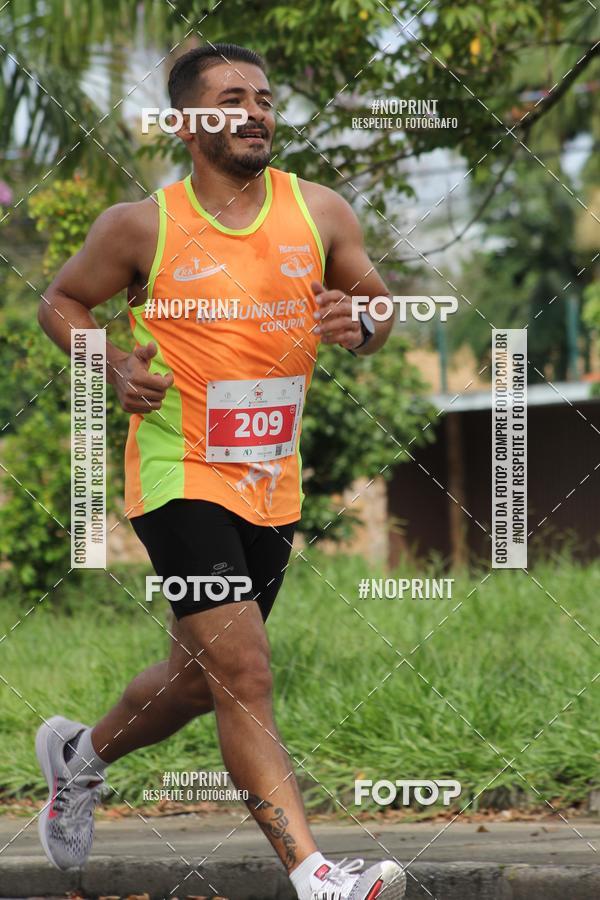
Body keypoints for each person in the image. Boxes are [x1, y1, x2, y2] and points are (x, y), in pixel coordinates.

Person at [37, 43, 405, 900]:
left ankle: (77, 757)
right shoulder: (140, 225)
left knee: (202, 684)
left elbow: (379, 302)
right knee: (247, 674)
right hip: (179, 469)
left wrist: (366, 322)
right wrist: (112, 365)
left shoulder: (320, 211)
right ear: (186, 123)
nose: (257, 112)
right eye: (233, 97)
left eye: (266, 99)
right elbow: (60, 300)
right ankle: (315, 875)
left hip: (270, 479)